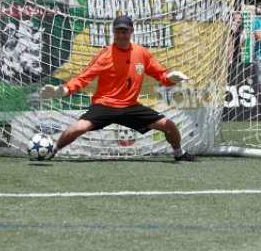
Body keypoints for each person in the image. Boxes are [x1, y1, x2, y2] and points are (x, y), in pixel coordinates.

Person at [38, 15, 195, 161]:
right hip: (104, 105)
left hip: (130, 107)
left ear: (131, 32)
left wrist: (171, 79)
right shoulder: (105, 55)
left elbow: (161, 75)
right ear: (113, 32)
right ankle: (53, 151)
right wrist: (65, 90)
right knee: (78, 128)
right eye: (118, 32)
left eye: (124, 32)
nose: (121, 36)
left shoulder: (141, 53)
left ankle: (179, 154)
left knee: (170, 126)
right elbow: (84, 77)